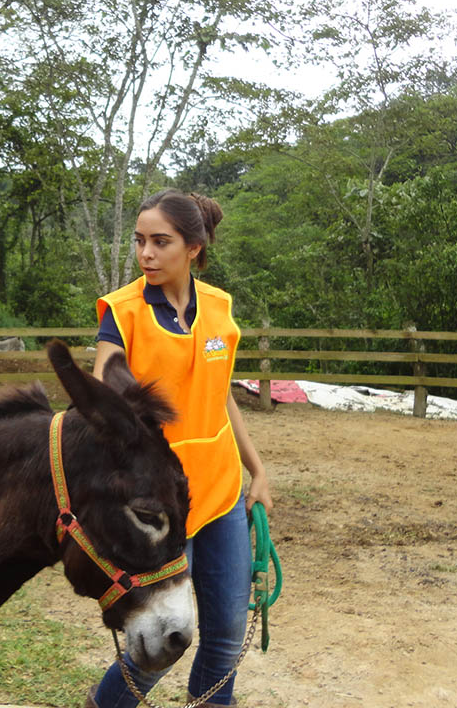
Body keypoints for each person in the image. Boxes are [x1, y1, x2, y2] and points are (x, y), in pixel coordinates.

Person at [87, 189, 273, 708]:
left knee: (227, 634)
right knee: (161, 643)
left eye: (160, 242)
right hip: (160, 506)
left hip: (221, 492)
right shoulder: (122, 313)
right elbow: (102, 391)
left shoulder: (219, 308)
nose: (146, 253)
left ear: (193, 248)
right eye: (141, 241)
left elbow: (223, 398)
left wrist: (256, 471)